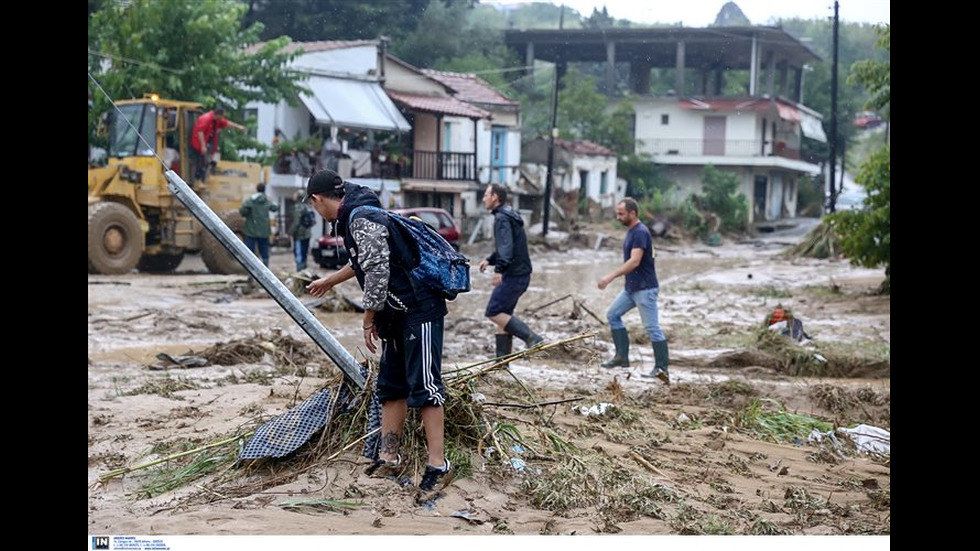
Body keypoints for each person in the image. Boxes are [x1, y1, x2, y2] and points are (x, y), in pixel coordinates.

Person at [304, 168, 453, 492]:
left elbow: (376, 270)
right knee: (391, 386)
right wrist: (329, 281)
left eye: (314, 205)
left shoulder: (360, 217)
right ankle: (389, 458)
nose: (317, 211)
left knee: (426, 386)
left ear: (318, 199)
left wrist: (368, 317)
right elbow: (364, 261)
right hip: (396, 312)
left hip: (418, 308)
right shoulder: (358, 213)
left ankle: (438, 465)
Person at [597, 197, 670, 385]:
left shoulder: (639, 232)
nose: (618, 217)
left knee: (652, 328)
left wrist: (610, 277)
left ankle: (661, 368)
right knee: (613, 314)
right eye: (617, 213)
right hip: (632, 288)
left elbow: (634, 261)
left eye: (621, 214)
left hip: (645, 289)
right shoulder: (632, 231)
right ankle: (621, 357)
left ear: (632, 213)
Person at [478, 184, 544, 358]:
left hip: (513, 275)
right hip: (521, 274)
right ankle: (502, 362)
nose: (483, 198)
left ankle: (532, 338)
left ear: (495, 197)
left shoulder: (501, 218)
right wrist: (490, 259)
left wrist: (498, 270)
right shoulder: (509, 214)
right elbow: (507, 245)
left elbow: (506, 248)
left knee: (493, 311)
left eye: (486, 195)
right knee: (504, 315)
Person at [190, 107, 246, 182]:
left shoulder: (216, 120)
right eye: (222, 116)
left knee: (206, 162)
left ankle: (202, 180)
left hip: (208, 144)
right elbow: (200, 132)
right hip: (199, 145)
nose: (222, 118)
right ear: (219, 115)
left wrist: (239, 127)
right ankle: (198, 180)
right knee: (201, 163)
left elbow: (226, 123)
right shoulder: (206, 118)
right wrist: (203, 146)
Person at [238, 183, 278, 269]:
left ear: (257, 189)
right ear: (264, 190)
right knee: (264, 254)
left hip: (251, 231)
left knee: (249, 253)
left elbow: (242, 211)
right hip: (264, 232)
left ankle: (250, 273)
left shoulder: (251, 200)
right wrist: (271, 199)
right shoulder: (266, 200)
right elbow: (275, 208)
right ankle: (265, 272)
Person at [289, 190, 314, 271]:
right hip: (307, 234)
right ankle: (304, 270)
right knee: (304, 253)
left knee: (299, 254)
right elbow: (313, 221)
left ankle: (300, 272)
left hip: (299, 234)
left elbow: (296, 222)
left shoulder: (297, 207)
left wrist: (290, 232)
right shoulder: (308, 207)